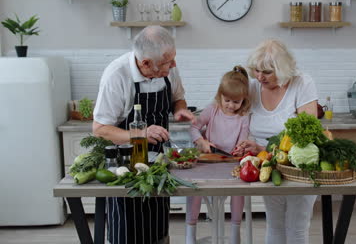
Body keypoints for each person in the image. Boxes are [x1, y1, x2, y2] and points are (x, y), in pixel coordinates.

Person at [92, 25, 194, 244]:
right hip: (126, 167)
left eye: (173, 59)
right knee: (128, 230)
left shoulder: (168, 67)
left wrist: (180, 110)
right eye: (168, 62)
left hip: (159, 166)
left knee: (158, 228)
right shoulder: (117, 75)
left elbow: (178, 97)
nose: (174, 65)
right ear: (145, 62)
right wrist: (140, 134)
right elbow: (100, 129)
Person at [232, 39, 319, 244]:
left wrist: (263, 147)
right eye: (256, 70)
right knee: (275, 224)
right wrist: (247, 143)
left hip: (298, 168)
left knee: (297, 227)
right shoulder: (254, 86)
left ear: (283, 69)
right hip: (269, 167)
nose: (260, 76)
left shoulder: (302, 83)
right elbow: (232, 114)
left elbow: (307, 134)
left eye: (267, 72)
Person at [187, 66, 251, 244]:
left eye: (236, 102)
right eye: (227, 100)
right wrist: (201, 141)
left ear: (244, 100)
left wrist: (240, 148)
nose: (231, 105)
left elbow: (243, 140)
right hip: (207, 162)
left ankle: (235, 233)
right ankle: (190, 233)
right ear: (220, 95)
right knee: (194, 188)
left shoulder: (244, 116)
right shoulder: (212, 109)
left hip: (230, 163)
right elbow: (193, 128)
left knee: (239, 190)